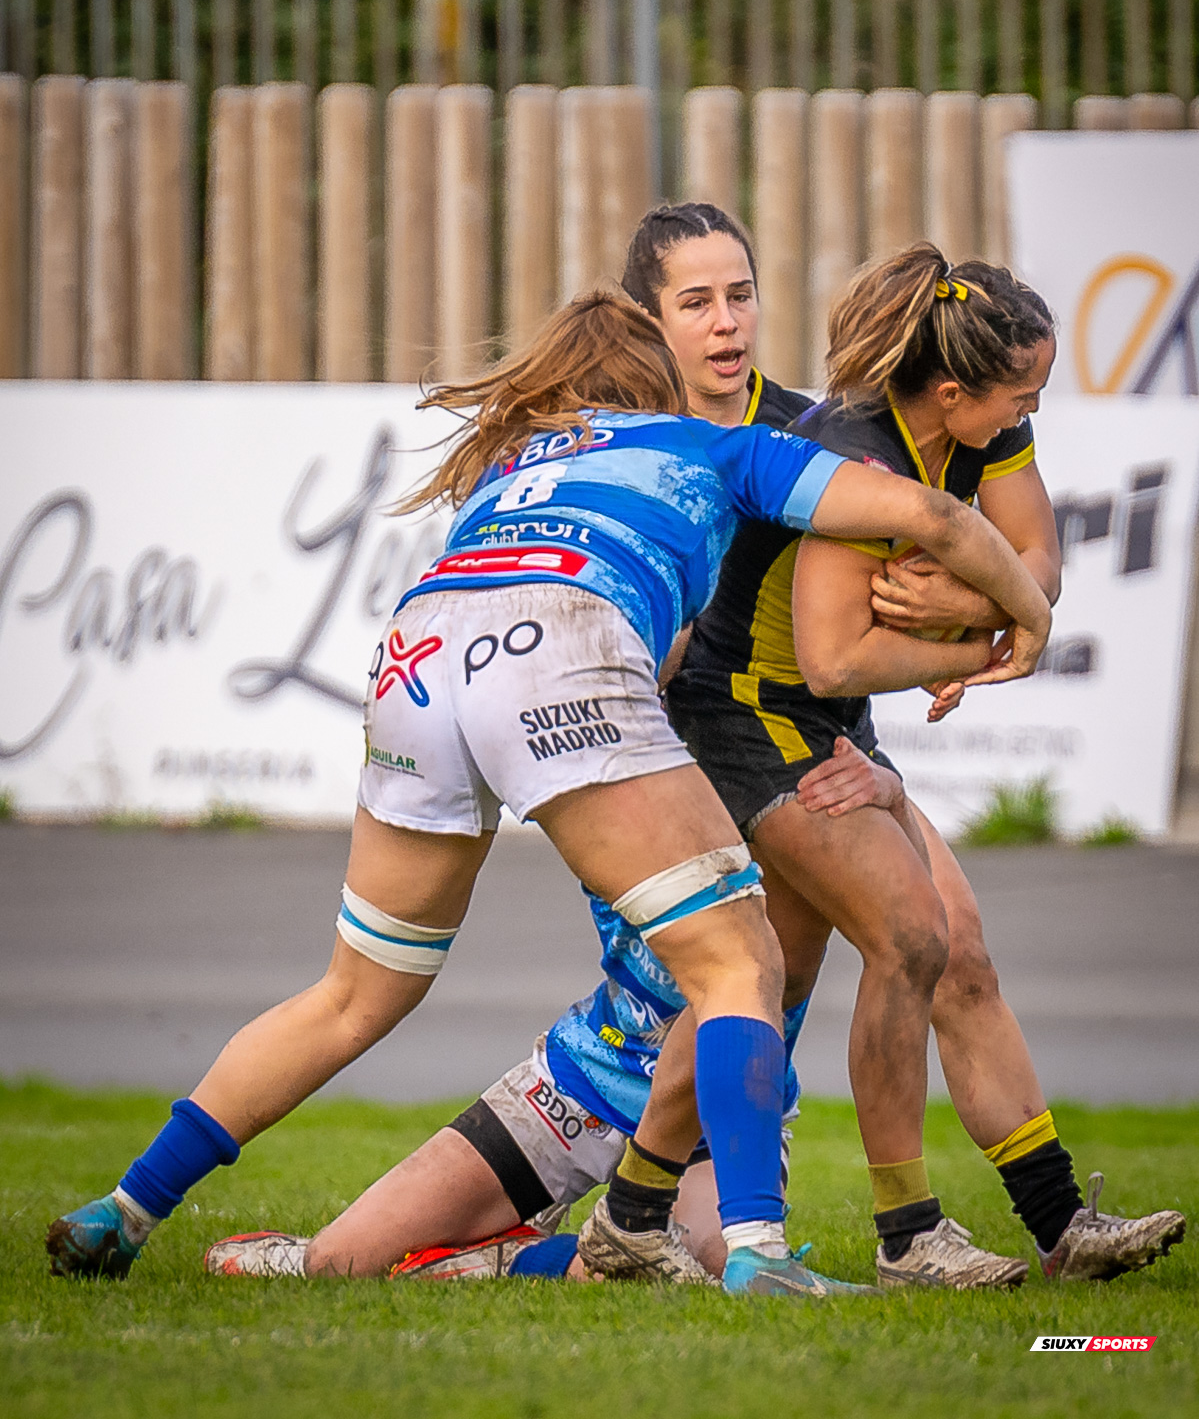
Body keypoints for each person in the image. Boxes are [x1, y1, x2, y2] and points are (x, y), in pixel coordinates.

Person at [46, 290, 1051, 1302]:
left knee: (352, 994)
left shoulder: (512, 467)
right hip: (559, 636)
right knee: (739, 956)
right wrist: (1025, 616)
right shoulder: (716, 447)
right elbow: (924, 513)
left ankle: (125, 1208)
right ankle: (758, 1255)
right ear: (656, 379)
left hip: (419, 654)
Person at [623, 230, 1183, 1287]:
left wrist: (986, 606)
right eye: (1019, 395)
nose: (1030, 413)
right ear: (949, 388)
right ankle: (907, 1236)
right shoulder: (855, 456)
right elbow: (836, 654)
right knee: (908, 937)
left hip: (826, 721)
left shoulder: (975, 433)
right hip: (751, 717)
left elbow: (1037, 564)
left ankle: (1056, 1223)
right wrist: (989, 640)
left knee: (895, 957)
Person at [201, 876, 815, 1285]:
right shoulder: (616, 764)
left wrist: (886, 792)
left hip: (711, 1122)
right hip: (579, 1085)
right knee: (340, 1262)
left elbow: (904, 917)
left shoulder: (792, 781)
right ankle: (318, 1253)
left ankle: (521, 1260)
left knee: (713, 1275)